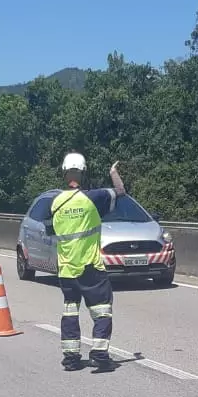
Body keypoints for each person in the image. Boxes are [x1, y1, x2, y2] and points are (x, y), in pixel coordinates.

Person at [49, 152, 125, 372]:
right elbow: (120, 192)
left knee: (70, 310)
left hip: (66, 268)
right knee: (102, 310)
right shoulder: (93, 198)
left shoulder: (55, 203)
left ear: (64, 173)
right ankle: (99, 355)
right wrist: (113, 173)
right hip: (90, 267)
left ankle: (71, 358)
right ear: (83, 173)